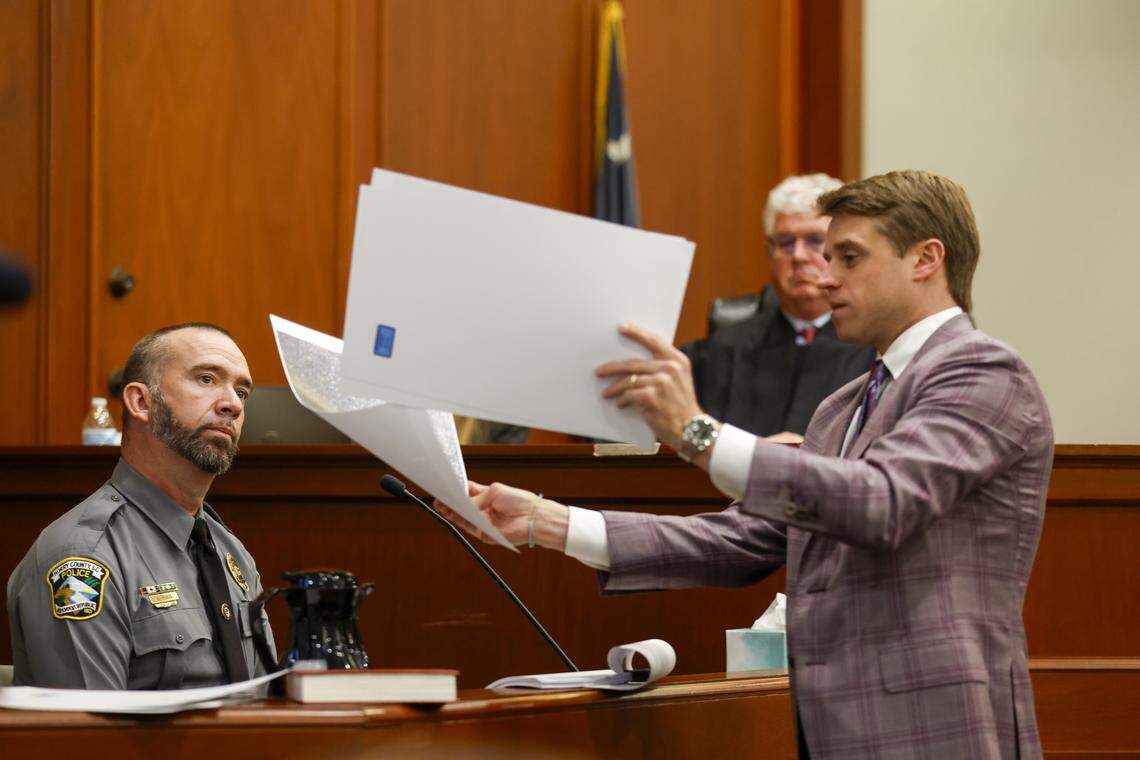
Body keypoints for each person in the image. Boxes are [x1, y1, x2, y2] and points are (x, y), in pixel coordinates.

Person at [436, 171, 1053, 759]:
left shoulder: (981, 369)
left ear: (925, 259)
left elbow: (882, 503)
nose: (825, 275)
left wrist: (696, 432)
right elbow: (745, 538)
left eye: (849, 257)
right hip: (833, 728)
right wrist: (549, 522)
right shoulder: (844, 406)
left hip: (933, 729)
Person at [7, 323, 275, 689]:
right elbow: (90, 739)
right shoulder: (85, 558)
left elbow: (267, 707)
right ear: (141, 402)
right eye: (207, 379)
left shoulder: (232, 554)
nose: (232, 404)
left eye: (242, 391)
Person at [684, 174, 875, 437]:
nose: (797, 256)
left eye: (814, 240)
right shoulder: (720, 351)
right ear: (769, 254)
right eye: (785, 242)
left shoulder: (875, 347)